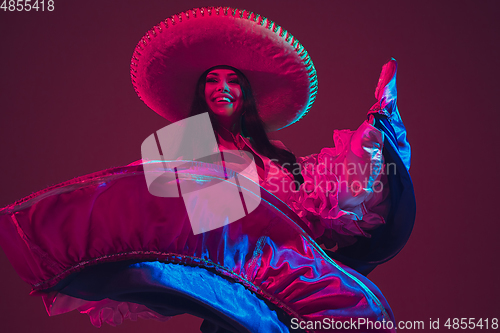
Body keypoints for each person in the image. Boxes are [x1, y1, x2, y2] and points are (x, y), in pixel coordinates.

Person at [0, 6, 415, 333]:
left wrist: (376, 127)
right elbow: (139, 196)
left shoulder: (277, 154)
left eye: (232, 80)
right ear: (202, 93)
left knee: (358, 314)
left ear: (245, 93)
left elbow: (327, 200)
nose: (222, 87)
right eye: (211, 80)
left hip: (291, 279)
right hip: (235, 285)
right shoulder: (187, 141)